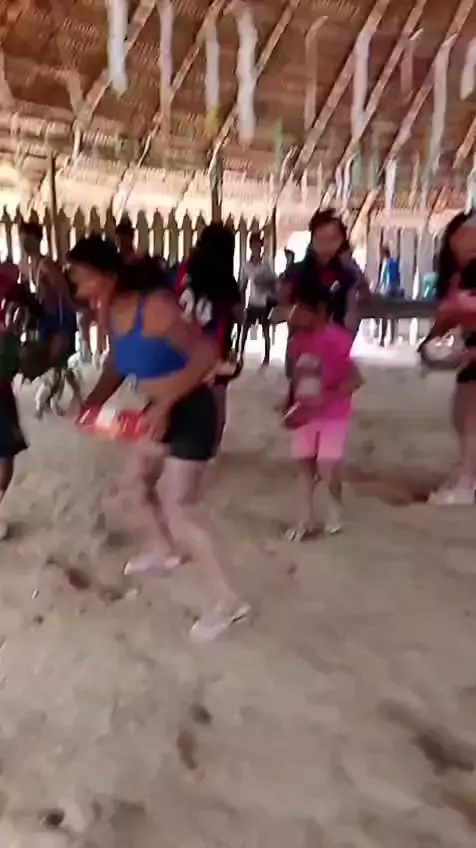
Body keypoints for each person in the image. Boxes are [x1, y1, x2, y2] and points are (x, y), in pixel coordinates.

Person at [67, 235, 249, 641]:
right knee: (134, 484)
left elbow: (206, 355)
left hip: (191, 408)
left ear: (109, 276)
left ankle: (229, 602)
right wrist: (91, 404)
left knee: (178, 507)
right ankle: (164, 552)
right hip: (157, 410)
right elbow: (118, 364)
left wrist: (165, 405)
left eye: (83, 279)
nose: (78, 290)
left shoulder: (155, 307)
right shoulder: (108, 313)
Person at [283, 282, 363, 539]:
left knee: (328, 465)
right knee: (304, 464)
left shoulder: (337, 339)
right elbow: (297, 376)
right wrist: (289, 403)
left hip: (332, 414)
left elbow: (355, 379)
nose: (294, 313)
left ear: (319, 310)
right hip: (304, 411)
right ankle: (305, 518)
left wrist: (327, 399)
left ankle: (335, 508)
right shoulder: (297, 341)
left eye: (301, 308)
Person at [419, 211, 476, 505]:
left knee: (469, 417)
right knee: (461, 414)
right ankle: (467, 472)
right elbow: (448, 316)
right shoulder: (458, 277)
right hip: (468, 348)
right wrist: (431, 343)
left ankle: (466, 481)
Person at [172, 223, 243, 447]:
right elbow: (238, 314)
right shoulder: (225, 280)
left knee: (179, 396)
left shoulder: (183, 270)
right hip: (215, 351)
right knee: (216, 402)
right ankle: (211, 448)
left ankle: (178, 439)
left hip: (180, 348)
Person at [19, 221, 81, 416]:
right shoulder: (30, 266)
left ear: (37, 240)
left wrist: (66, 325)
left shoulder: (46, 265)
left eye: (27, 239)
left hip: (60, 319)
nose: (24, 244)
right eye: (22, 240)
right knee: (57, 363)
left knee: (55, 361)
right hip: (47, 319)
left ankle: (51, 398)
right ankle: (70, 395)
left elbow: (64, 293)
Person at [239, 233, 277, 367]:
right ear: (250, 247)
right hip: (252, 302)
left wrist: (264, 281)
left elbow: (274, 282)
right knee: (245, 328)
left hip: (264, 302)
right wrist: (241, 304)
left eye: (258, 246)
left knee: (265, 330)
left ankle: (267, 356)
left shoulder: (266, 265)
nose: (257, 249)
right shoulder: (246, 266)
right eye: (254, 246)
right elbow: (242, 285)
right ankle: (240, 354)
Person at [377, 245, 402, 346]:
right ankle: (392, 339)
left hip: (387, 291)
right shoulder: (394, 262)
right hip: (395, 290)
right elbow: (398, 277)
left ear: (383, 253)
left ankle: (382, 339)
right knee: (393, 315)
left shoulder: (386, 263)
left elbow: (385, 279)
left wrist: (381, 289)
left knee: (384, 315)